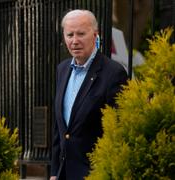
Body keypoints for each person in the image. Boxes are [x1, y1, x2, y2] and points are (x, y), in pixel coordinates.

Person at [50, 9, 128, 180]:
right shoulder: (62, 70)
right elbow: (59, 127)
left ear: (95, 35)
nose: (74, 41)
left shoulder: (113, 73)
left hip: (94, 173)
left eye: (81, 34)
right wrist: (54, 172)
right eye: (69, 34)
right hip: (63, 173)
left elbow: (117, 129)